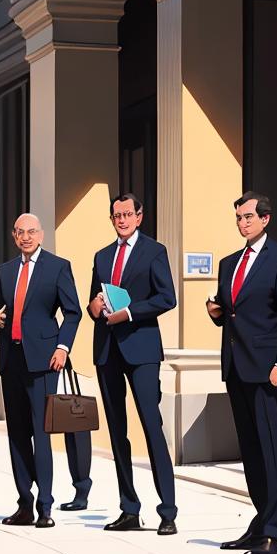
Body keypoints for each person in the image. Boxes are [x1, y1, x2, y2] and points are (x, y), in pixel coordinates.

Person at [207, 191, 277, 554]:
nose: (242, 223)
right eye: (238, 218)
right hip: (236, 367)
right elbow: (229, 310)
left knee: (272, 450)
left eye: (248, 217)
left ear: (265, 219)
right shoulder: (230, 262)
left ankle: (275, 533)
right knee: (250, 450)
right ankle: (261, 522)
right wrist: (215, 311)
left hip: (267, 371)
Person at [87, 193, 178, 534]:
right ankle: (129, 508)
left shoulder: (155, 251)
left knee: (151, 427)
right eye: (116, 215)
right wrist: (95, 307)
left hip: (141, 351)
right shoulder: (102, 256)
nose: (122, 219)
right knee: (117, 432)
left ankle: (167, 510)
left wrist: (129, 313)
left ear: (140, 216)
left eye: (127, 214)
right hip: (108, 351)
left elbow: (166, 297)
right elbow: (93, 303)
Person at [0, 214, 80, 529]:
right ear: (14, 236)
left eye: (31, 232)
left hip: (44, 362)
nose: (26, 237)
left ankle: (45, 506)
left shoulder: (58, 267)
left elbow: (73, 313)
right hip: (11, 361)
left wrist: (63, 347)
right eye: (20, 232)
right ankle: (24, 503)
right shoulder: (4, 271)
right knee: (17, 435)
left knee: (42, 434)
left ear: (41, 235)